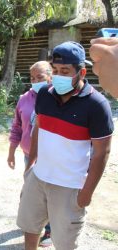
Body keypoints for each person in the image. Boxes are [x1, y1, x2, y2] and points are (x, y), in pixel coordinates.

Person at [17, 41, 114, 250]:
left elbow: (102, 152)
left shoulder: (97, 105)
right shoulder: (44, 94)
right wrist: (30, 166)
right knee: (30, 228)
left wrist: (86, 192)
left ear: (81, 72)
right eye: (55, 70)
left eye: (65, 71)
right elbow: (38, 130)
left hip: (69, 186)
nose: (58, 76)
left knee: (65, 243)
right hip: (39, 177)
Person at [7, 61, 53, 247]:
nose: (35, 81)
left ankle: (50, 230)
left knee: (49, 194)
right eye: (32, 78)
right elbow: (17, 127)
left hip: (51, 157)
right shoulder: (24, 98)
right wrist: (11, 152)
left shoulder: (58, 98)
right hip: (28, 155)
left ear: (51, 76)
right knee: (30, 192)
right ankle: (33, 225)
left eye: (40, 77)